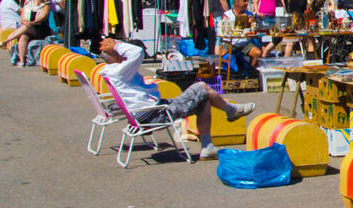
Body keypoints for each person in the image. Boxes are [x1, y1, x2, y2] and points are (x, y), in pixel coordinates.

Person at [99, 37, 256, 159]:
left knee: (204, 99)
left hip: (148, 113)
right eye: (120, 53)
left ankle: (207, 147)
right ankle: (230, 110)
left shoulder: (110, 71)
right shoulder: (119, 71)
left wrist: (115, 47)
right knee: (201, 87)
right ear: (116, 56)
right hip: (155, 114)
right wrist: (117, 45)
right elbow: (137, 52)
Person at [4, 0, 53, 66]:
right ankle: (22, 60)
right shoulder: (27, 7)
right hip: (29, 28)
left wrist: (33, 22)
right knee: (23, 36)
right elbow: (22, 19)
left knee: (26, 27)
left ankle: (7, 40)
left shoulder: (45, 6)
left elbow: (43, 17)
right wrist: (25, 22)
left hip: (40, 28)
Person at [221, 0, 264, 71]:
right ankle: (232, 73)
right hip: (230, 42)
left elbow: (254, 30)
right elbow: (224, 31)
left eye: (247, 1)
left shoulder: (249, 14)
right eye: (244, 1)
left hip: (244, 43)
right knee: (222, 54)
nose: (247, 3)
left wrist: (252, 23)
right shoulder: (228, 15)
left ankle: (250, 70)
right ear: (237, 3)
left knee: (258, 53)